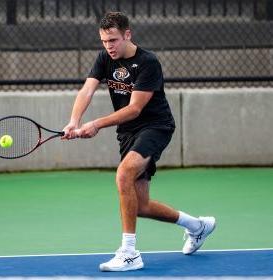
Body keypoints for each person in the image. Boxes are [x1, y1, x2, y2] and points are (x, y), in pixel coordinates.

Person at [62, 11, 216, 272]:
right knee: (140, 206)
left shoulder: (148, 62)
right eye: (103, 41)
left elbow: (135, 109)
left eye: (113, 40)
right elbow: (87, 89)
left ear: (127, 35)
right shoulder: (104, 58)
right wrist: (74, 121)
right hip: (128, 133)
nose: (108, 46)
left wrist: (96, 124)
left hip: (155, 126)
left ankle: (130, 253)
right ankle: (198, 226)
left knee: (123, 175)